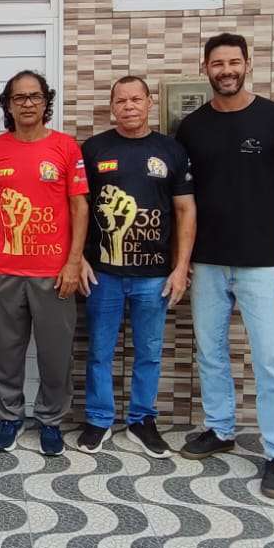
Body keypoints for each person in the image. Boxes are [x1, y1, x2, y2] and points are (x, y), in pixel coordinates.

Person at [175, 32, 274, 499]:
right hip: (208, 261)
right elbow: (184, 201)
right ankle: (220, 428)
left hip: (262, 263)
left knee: (270, 358)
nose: (226, 70)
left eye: (234, 62)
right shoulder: (192, 127)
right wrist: (183, 260)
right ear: (206, 69)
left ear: (247, 65)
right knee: (210, 351)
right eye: (218, 63)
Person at [76, 76, 194, 458]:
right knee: (100, 351)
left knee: (149, 352)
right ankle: (99, 419)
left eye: (136, 99)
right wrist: (77, 258)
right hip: (103, 273)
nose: (128, 106)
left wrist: (181, 268)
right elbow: (77, 206)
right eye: (121, 100)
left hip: (154, 275)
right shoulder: (94, 149)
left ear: (149, 103)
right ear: (112, 106)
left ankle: (142, 421)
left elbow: (185, 209)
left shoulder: (171, 150)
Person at [0, 70, 88, 456]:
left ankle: (50, 420)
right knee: (5, 351)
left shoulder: (65, 147)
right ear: (8, 105)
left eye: (35, 96)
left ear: (46, 102)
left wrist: (73, 262)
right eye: (19, 97)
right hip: (6, 270)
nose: (27, 103)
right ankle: (9, 417)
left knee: (55, 354)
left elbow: (79, 206)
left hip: (54, 272)